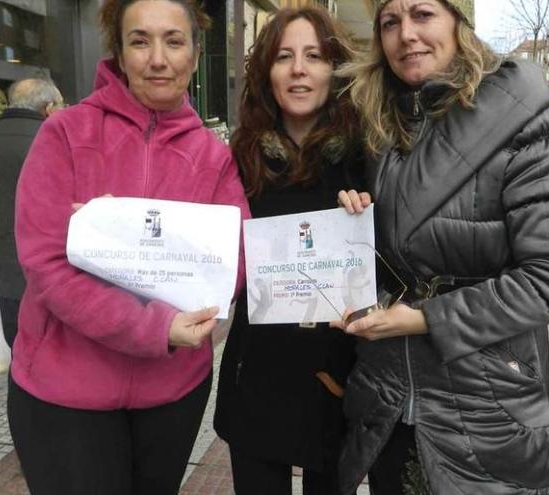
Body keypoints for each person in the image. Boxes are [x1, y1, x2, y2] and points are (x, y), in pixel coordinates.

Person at [334, 0, 549, 493]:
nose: (406, 34)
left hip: (484, 408)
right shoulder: (380, 123)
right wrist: (352, 230)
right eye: (390, 22)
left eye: (422, 14)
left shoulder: (519, 118)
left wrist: (427, 317)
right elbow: (398, 260)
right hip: (391, 405)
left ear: (458, 21)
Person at [8, 1, 250, 494]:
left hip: (171, 394)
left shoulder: (212, 155)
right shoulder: (64, 134)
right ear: (119, 52)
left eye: (174, 41)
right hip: (65, 393)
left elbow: (233, 258)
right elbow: (47, 263)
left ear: (196, 55)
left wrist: (113, 235)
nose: (157, 58)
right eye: (140, 41)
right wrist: (155, 325)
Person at [213, 6, 363, 495]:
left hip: (337, 375)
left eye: (314, 56)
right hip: (257, 375)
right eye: (284, 56)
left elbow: (397, 264)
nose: (299, 69)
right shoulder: (236, 161)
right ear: (267, 73)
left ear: (335, 70)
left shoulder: (368, 159)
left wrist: (366, 221)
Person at [0, 78, 64, 348]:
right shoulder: (56, 140)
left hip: (7, 276)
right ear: (49, 107)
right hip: (56, 275)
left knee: (20, 354)